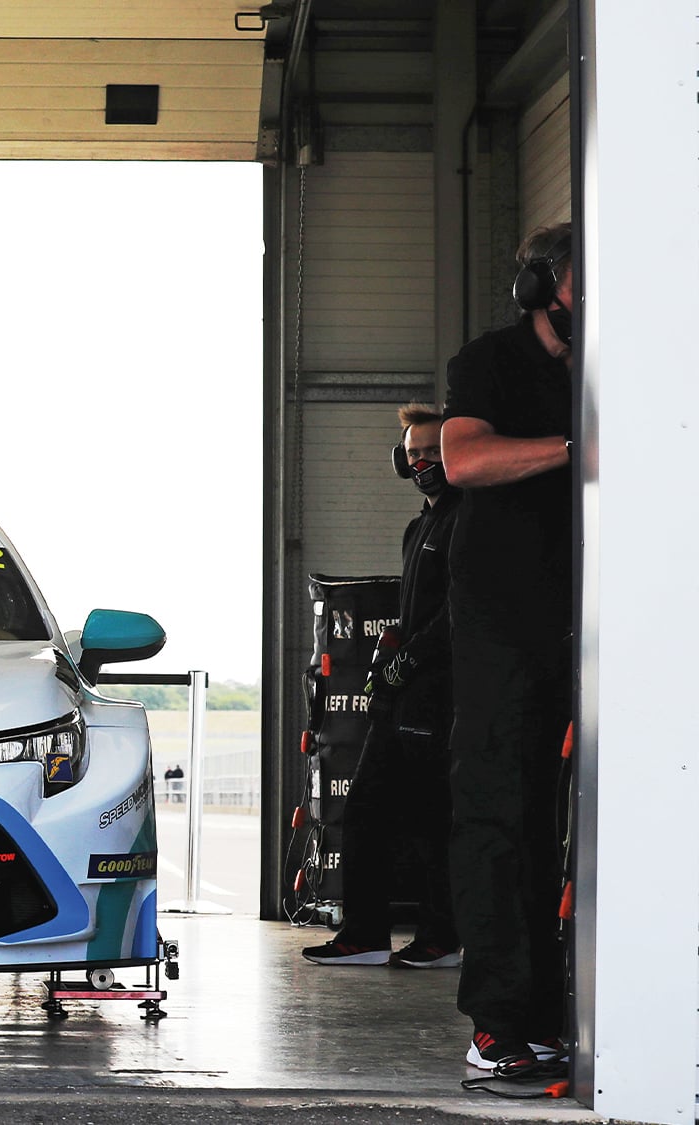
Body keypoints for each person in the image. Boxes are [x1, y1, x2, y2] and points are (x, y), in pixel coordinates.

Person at [439, 224, 576, 1072]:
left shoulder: (611, 368)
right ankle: (498, 1020)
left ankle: (559, 1010)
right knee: (500, 811)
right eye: (578, 278)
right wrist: (577, 449)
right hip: (504, 618)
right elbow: (463, 459)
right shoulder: (488, 361)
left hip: (590, 619)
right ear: (537, 287)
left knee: (575, 821)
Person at [304, 404, 462, 970]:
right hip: (402, 694)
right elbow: (415, 612)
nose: (421, 463)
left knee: (431, 818)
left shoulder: (468, 522)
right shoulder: (419, 527)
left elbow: (460, 611)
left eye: (432, 452)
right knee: (366, 809)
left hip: (441, 697)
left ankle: (441, 939)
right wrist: (390, 650)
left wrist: (412, 656)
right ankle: (365, 936)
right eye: (413, 453)